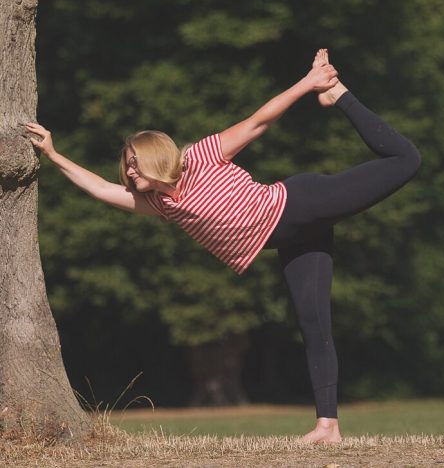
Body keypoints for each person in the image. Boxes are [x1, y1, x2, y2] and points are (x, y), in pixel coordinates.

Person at [28, 49, 421, 443]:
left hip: (302, 201)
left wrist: (311, 82)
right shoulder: (161, 205)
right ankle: (327, 427)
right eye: (127, 165)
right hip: (294, 238)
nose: (129, 171)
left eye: (134, 162)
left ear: (154, 155)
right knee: (314, 324)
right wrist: (53, 154)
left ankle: (338, 95)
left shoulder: (199, 157)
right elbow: (100, 187)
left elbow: (258, 122)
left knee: (406, 159)